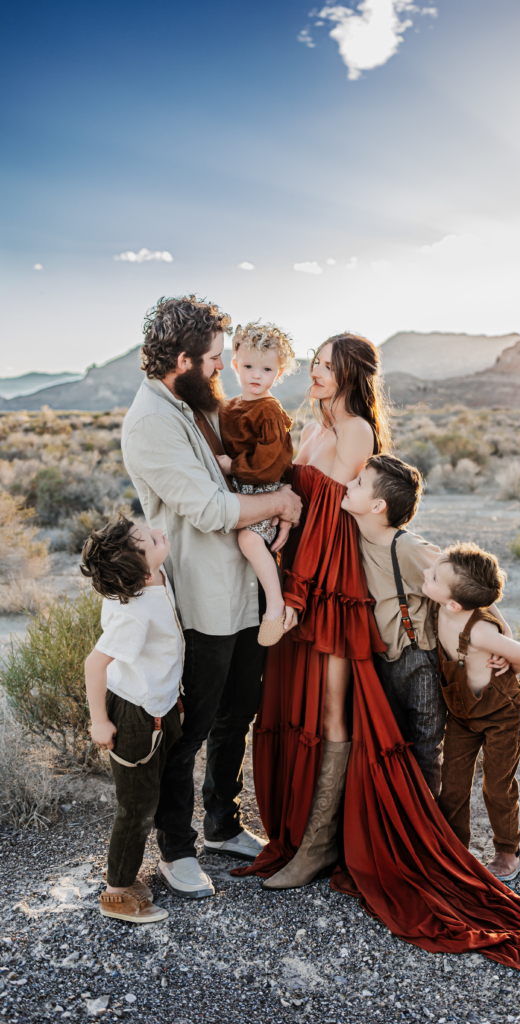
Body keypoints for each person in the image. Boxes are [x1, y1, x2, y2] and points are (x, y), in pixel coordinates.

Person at [233, 333, 520, 979]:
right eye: (310, 362)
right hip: (300, 577)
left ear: (348, 376)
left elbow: (348, 518)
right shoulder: (312, 423)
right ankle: (295, 835)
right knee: (299, 710)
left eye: (323, 365)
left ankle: (316, 850)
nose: (312, 371)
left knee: (335, 716)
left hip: (331, 584)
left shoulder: (357, 429)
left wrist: (309, 587)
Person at [121, 295, 302, 900]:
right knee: (188, 727)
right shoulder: (152, 420)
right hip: (202, 598)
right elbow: (209, 508)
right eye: (216, 360)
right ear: (182, 360)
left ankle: (222, 823)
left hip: (243, 589)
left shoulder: (193, 401)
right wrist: (277, 504)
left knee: (237, 716)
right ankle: (176, 847)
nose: (224, 370)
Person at [342, 454, 515, 806]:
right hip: (381, 659)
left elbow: (464, 587)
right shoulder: (354, 535)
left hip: (417, 659)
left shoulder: (404, 546)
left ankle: (427, 823)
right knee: (392, 742)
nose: (347, 484)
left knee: (425, 747)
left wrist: (503, 633)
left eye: (358, 483)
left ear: (378, 505)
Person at [81, 516, 183, 925]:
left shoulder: (154, 576)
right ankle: (117, 894)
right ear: (139, 569)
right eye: (148, 539)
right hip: (136, 715)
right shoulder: (134, 609)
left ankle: (123, 877)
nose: (157, 532)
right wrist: (99, 722)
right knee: (137, 807)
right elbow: (94, 665)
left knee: (149, 797)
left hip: (159, 704)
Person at [422, 543, 520, 882]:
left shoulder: (481, 630)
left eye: (434, 576)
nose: (427, 574)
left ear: (454, 602)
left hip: (502, 713)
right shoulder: (443, 600)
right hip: (462, 714)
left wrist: (507, 654)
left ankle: (508, 853)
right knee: (453, 783)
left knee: (497, 785)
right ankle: (455, 848)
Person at [217, 322, 297, 647]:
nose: (256, 375)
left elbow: (268, 463)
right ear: (235, 365)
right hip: (239, 490)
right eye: (248, 366)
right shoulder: (231, 406)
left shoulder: (269, 411)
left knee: (250, 541)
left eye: (266, 369)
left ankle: (275, 606)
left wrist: (232, 466)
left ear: (277, 374)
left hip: (261, 489)